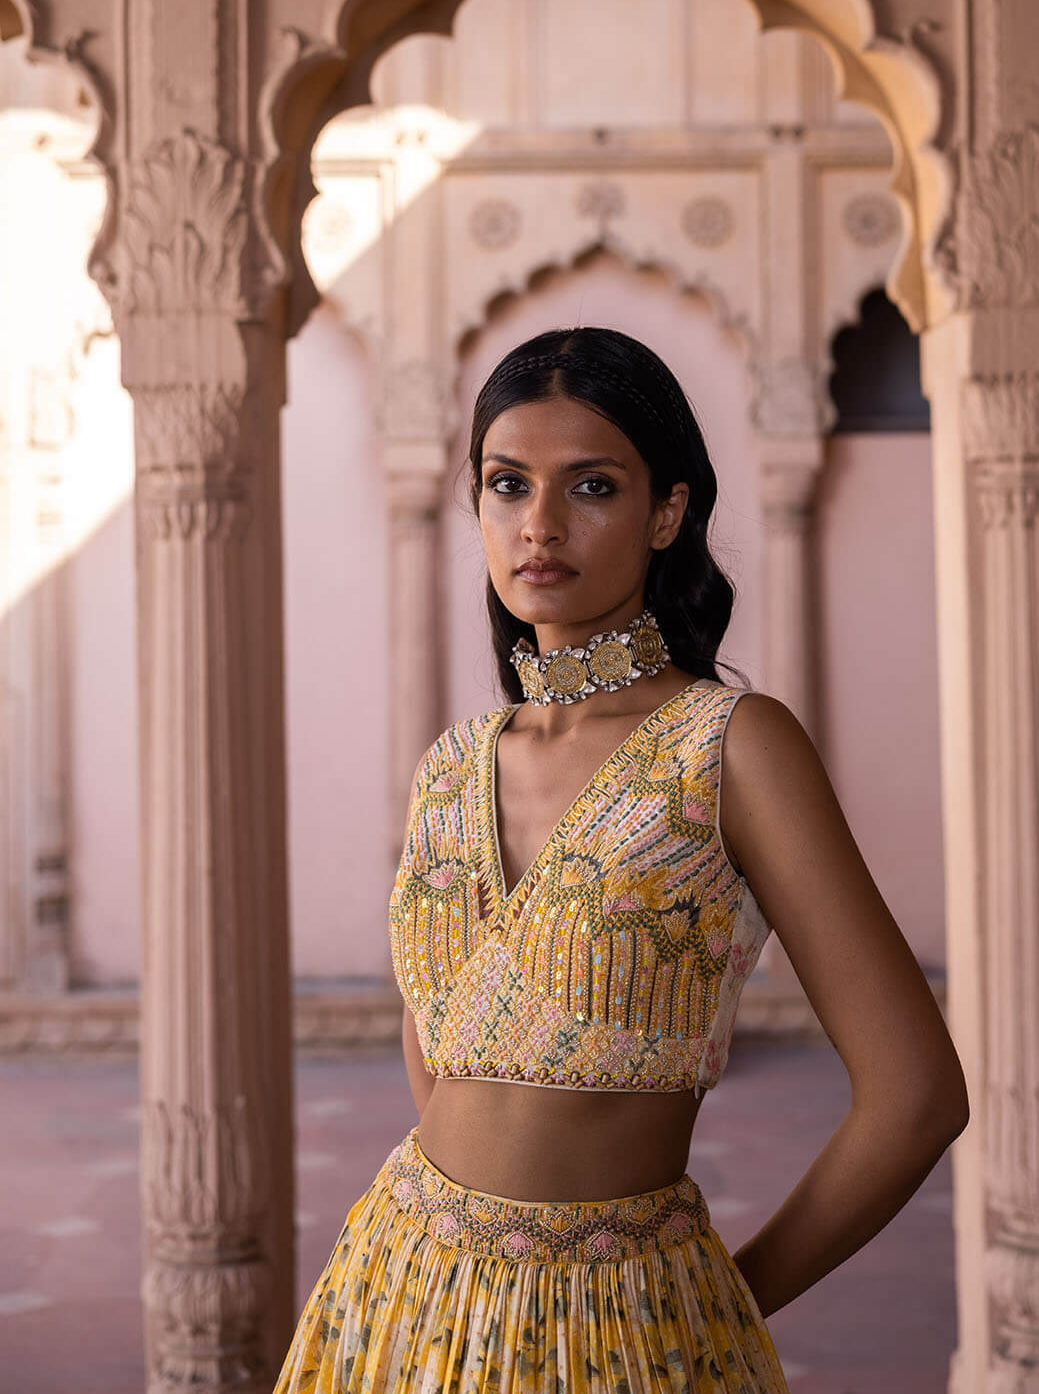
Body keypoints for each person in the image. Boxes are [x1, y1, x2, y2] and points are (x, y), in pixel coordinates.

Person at [274, 325, 969, 1393]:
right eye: (507, 485)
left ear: (666, 512)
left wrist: (718, 1304)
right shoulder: (452, 767)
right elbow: (443, 1054)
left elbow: (916, 1095)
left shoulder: (729, 748)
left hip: (629, 1324)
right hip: (400, 1295)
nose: (539, 524)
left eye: (590, 486)